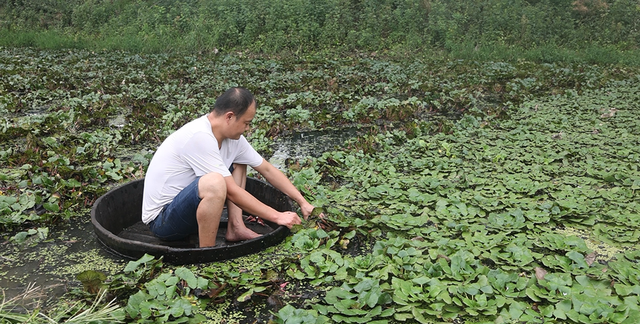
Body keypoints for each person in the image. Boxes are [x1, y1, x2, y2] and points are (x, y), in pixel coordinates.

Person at [141, 87, 316, 247]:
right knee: (215, 182)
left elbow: (267, 169)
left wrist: (303, 202)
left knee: (240, 162)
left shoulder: (234, 140)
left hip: (189, 214)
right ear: (229, 117)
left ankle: (236, 227)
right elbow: (230, 190)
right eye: (246, 123)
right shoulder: (199, 136)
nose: (248, 128)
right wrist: (277, 216)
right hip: (163, 221)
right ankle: (207, 253)